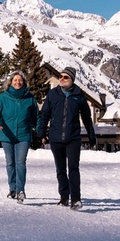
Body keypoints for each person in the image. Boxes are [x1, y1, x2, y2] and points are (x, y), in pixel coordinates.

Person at [36, 66, 96, 210]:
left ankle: (76, 199)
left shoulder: (78, 95)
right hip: (56, 137)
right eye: (61, 76)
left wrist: (91, 135)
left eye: (65, 77)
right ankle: (64, 197)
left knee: (73, 168)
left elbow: (87, 118)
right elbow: (44, 114)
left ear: (72, 80)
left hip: (73, 137)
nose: (61, 79)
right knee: (61, 169)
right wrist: (41, 132)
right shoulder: (53, 94)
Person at [0, 71, 39, 203]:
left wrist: (40, 130)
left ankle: (20, 190)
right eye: (15, 80)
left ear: (24, 82)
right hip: (7, 135)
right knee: (10, 163)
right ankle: (12, 188)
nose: (18, 82)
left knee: (20, 162)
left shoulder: (30, 98)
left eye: (20, 80)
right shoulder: (3, 97)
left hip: (24, 135)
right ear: (10, 82)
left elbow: (37, 116)